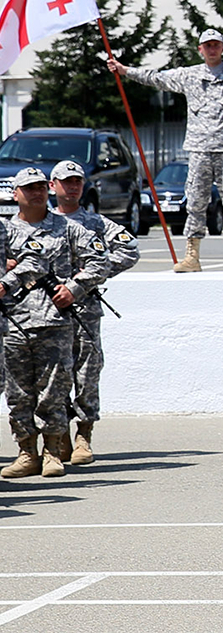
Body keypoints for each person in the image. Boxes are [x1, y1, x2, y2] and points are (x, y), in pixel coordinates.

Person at [107, 29, 223, 272]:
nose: (212, 49)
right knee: (196, 202)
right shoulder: (190, 75)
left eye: (216, 45)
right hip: (199, 149)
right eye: (207, 45)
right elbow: (156, 78)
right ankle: (192, 255)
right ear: (200, 49)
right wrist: (126, 71)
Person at [1, 168, 108, 479]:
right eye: (28, 188)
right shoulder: (5, 232)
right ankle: (26, 452)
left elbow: (99, 261)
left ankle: (52, 451)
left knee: (53, 392)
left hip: (53, 321)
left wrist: (74, 288)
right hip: (14, 321)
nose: (36, 193)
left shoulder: (67, 228)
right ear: (15, 193)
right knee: (18, 393)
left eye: (40, 187)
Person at [49, 160, 139, 465]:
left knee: (87, 373)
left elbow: (130, 250)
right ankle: (58, 436)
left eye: (77, 182)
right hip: (48, 311)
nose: (72, 187)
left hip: (85, 310)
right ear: (53, 186)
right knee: (55, 375)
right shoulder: (42, 223)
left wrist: (92, 275)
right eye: (65, 182)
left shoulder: (96, 223)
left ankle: (83, 435)